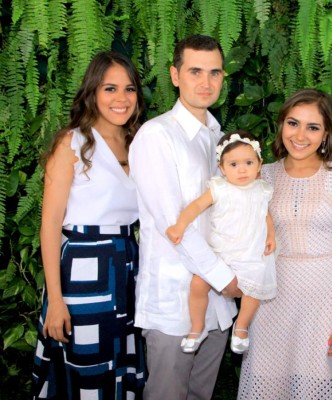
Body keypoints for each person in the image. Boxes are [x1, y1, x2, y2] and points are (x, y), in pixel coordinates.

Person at [128, 35, 239, 400]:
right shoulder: (157, 136)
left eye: (214, 73)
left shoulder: (220, 138)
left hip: (218, 309)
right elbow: (173, 224)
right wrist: (227, 280)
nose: (206, 82)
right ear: (175, 75)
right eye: (195, 72)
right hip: (175, 304)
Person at [238, 89, 332, 399]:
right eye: (293, 123)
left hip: (326, 302)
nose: (300, 135)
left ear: (325, 134)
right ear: (281, 126)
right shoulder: (259, 176)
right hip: (270, 302)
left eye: (313, 127)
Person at [32, 51, 146, 399]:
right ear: (93, 91)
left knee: (120, 368)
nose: (121, 98)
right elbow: (50, 224)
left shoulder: (139, 143)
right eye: (110, 88)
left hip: (127, 268)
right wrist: (55, 299)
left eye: (129, 89)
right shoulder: (72, 143)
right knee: (86, 368)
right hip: (82, 273)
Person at [165, 130, 277, 354]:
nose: (242, 169)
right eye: (233, 164)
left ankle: (242, 326)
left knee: (253, 289)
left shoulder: (261, 189)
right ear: (222, 168)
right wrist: (180, 225)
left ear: (259, 164)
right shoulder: (219, 188)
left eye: (248, 162)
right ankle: (197, 327)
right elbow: (196, 206)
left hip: (249, 254)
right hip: (221, 253)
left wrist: (271, 235)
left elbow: (265, 215)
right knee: (198, 283)